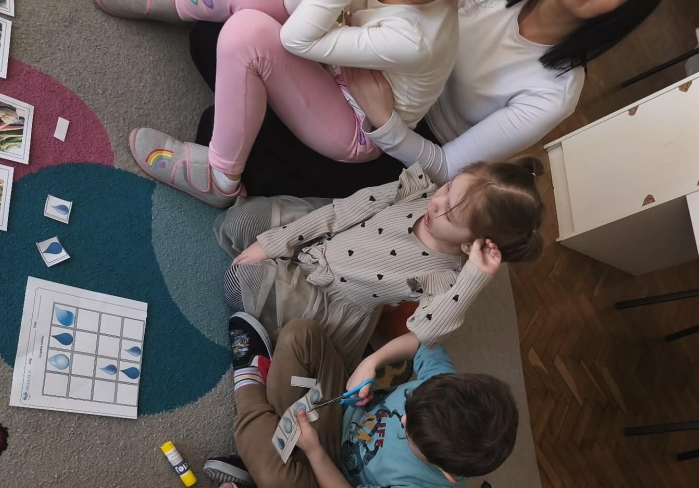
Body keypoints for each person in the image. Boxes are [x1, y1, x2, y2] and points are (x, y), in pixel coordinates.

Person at [91, 0, 562, 209]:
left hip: (354, 126)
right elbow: (298, 1)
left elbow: (296, 37)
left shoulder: (416, 35)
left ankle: (220, 177)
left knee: (246, 35)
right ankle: (179, 4)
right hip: (336, 60)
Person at [186, 0, 676, 199]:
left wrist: (383, 121)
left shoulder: (556, 90)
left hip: (401, 139)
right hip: (367, 52)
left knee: (235, 106)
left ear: (623, 12)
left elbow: (445, 166)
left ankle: (244, 146)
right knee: (223, 33)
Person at [214, 158, 544, 371]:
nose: (436, 204)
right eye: (448, 188)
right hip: (325, 235)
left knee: (239, 281)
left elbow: (426, 333)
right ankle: (274, 260)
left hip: (326, 301)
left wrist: (473, 278)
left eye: (450, 215)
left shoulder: (446, 276)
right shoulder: (416, 191)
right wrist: (272, 244)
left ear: (471, 245)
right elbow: (340, 213)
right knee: (240, 222)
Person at [206, 313, 518, 488]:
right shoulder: (445, 390)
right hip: (342, 405)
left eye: (409, 434)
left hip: (333, 471)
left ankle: (248, 382)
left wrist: (314, 451)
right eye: (410, 403)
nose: (402, 418)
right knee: (301, 334)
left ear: (444, 469)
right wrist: (371, 363)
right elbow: (423, 342)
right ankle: (261, 448)